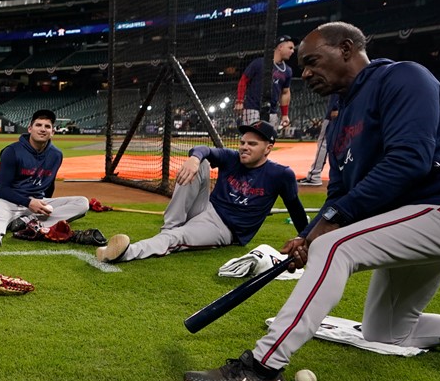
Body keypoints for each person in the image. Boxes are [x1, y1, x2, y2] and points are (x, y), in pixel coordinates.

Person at [184, 22, 440, 381]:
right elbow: (340, 191)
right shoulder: (340, 113)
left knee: (334, 247)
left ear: (347, 49)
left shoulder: (404, 77)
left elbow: (409, 161)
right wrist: (309, 233)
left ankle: (262, 367)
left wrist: (327, 230)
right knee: (386, 331)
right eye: (302, 66)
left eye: (313, 61)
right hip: (415, 219)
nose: (304, 74)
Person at [96, 121, 308, 263]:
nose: (244, 147)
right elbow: (203, 149)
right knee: (201, 162)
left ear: (268, 148)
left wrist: (306, 238)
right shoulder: (232, 157)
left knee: (175, 237)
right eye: (243, 142)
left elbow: (296, 209)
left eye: (252, 144)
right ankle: (170, 226)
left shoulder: (280, 174)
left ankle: (125, 253)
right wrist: (194, 159)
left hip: (225, 229)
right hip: (207, 208)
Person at [0, 109, 90, 246]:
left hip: (36, 204)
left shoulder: (56, 155)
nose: (42, 129)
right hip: (7, 201)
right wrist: (28, 202)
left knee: (82, 203)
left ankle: (27, 222)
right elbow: (2, 189)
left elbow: (49, 183)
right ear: (30, 129)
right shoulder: (12, 151)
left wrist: (46, 204)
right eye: (38, 125)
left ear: (53, 132)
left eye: (47, 126)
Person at [233, 36, 295, 130]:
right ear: (280, 47)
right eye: (290, 48)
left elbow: (285, 92)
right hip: (253, 108)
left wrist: (285, 115)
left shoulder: (288, 71)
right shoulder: (259, 63)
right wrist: (240, 101)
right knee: (252, 138)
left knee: (268, 141)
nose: (293, 51)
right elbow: (243, 81)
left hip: (272, 111)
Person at [297, 95, 340, 186]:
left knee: (323, 143)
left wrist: (335, 107)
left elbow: (338, 89)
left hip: (335, 112)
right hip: (346, 111)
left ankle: (314, 176)